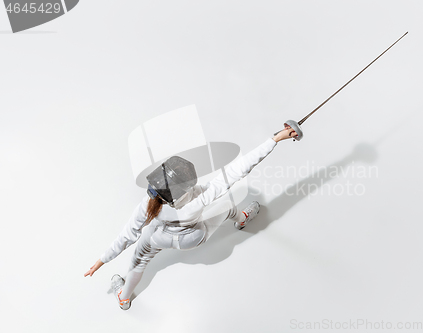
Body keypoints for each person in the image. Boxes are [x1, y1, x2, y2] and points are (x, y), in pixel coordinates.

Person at [84, 126, 298, 310]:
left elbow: (126, 236)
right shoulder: (196, 201)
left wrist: (100, 261)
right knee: (225, 205)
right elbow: (238, 170)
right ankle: (242, 219)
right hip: (192, 237)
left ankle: (123, 298)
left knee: (138, 260)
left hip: (158, 236)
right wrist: (275, 139)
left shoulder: (148, 204)